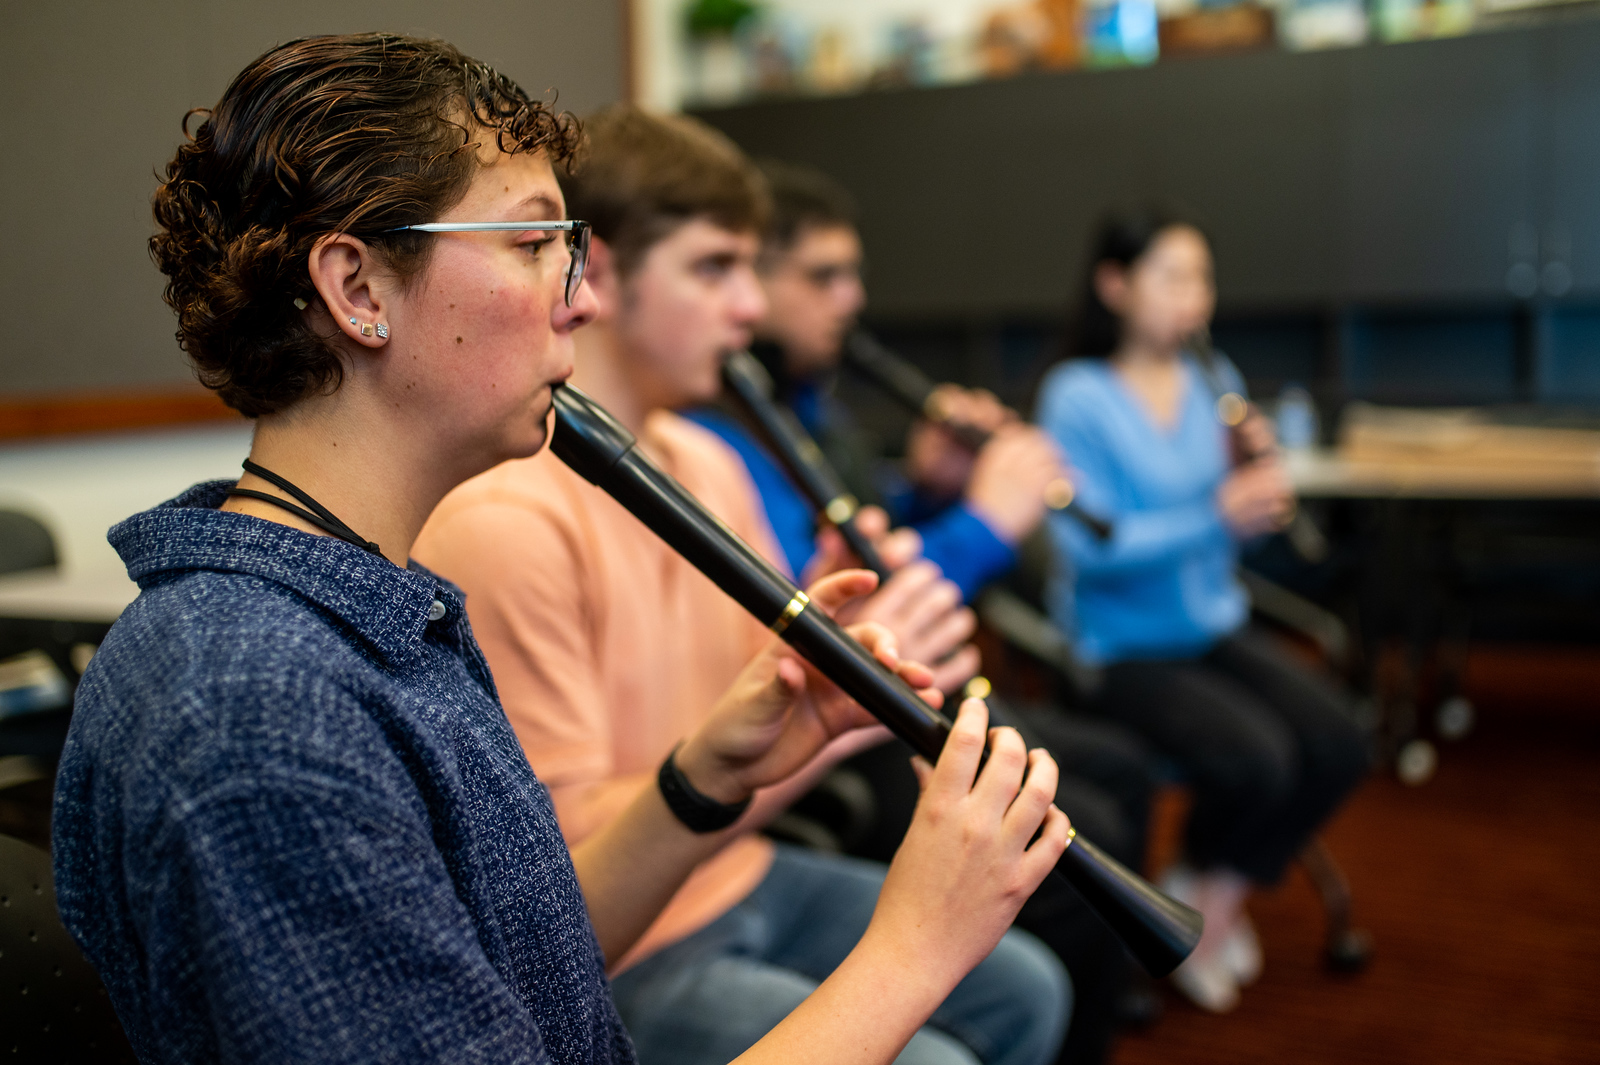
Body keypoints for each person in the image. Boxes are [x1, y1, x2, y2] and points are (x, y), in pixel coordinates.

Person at [49, 35, 1073, 1065]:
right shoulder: (258, 707)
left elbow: (536, 974)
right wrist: (912, 950)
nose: (580, 299)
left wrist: (703, 774)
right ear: (358, 290)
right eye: (533, 243)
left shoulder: (382, 608)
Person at [412, 105, 1068, 1065]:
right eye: (715, 268)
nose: (751, 307)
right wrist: (845, 707)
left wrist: (850, 623)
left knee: (1027, 987)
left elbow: (756, 682)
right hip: (630, 943)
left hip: (739, 870)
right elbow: (576, 885)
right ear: (597, 273)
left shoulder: (707, 462)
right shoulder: (505, 518)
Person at [686, 160, 1161, 1064]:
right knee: (1070, 825)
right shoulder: (710, 438)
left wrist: (935, 493)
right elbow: (806, 619)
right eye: (822, 276)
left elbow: (861, 559)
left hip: (877, 698)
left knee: (1116, 780)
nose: (851, 299)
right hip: (820, 752)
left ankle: (1088, 994)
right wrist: (984, 522)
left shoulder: (809, 410)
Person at [1035, 206, 1370, 1013]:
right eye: (1173, 276)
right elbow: (1091, 548)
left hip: (1211, 622)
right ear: (1114, 285)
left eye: (1203, 278)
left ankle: (1205, 893)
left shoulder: (1210, 379)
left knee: (1340, 738)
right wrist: (1218, 513)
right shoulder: (1076, 395)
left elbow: (1227, 545)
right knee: (1258, 759)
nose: (1195, 298)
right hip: (1121, 644)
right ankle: (1197, 902)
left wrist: (1255, 500)